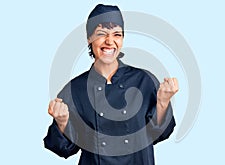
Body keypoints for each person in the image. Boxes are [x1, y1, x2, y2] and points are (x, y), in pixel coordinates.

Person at [44, 4, 179, 165]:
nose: (110, 41)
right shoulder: (74, 89)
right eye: (101, 34)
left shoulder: (144, 80)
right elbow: (63, 149)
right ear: (89, 38)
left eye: (117, 34)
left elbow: (160, 134)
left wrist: (163, 103)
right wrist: (62, 122)